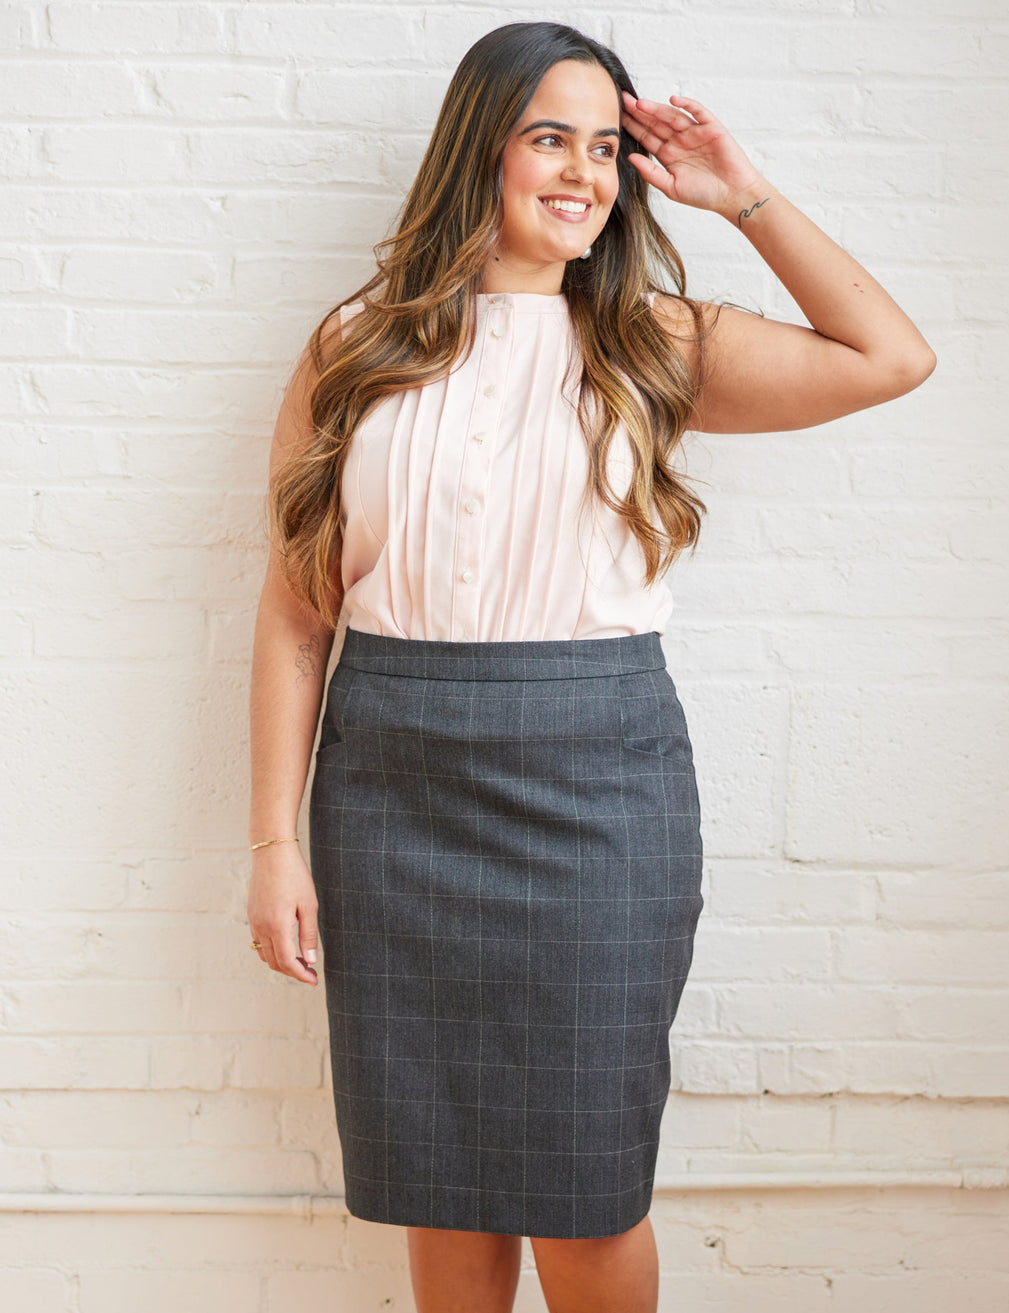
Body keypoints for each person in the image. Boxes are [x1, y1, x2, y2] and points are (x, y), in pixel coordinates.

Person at [247, 20, 935, 1313]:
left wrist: (744, 199)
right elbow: (294, 617)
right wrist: (270, 843)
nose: (581, 170)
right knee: (438, 1184)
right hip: (391, 791)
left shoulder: (647, 339)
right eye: (548, 137)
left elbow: (887, 358)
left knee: (583, 1193)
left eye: (605, 146)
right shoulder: (354, 344)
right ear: (480, 151)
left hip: (597, 795)